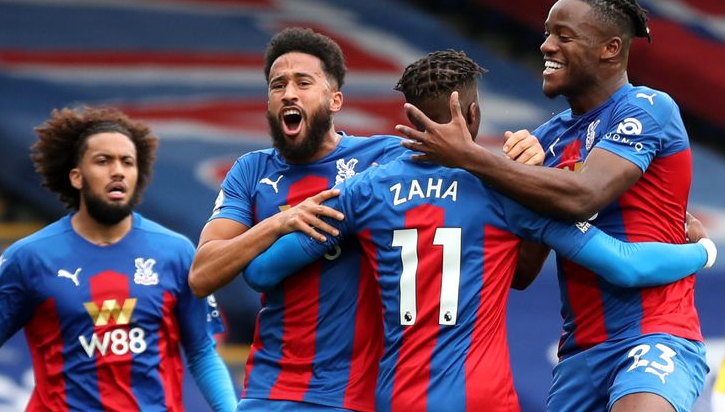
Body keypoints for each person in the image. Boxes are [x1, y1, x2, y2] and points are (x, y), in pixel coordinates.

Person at [240, 49, 717, 412]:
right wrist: (701, 252)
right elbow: (623, 265)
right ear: (472, 116)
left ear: (410, 119)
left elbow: (262, 272)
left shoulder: (363, 193)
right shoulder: (503, 193)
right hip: (481, 396)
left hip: (396, 395)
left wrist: (283, 221)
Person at [187, 29, 544, 412]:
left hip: (362, 394)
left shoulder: (385, 162)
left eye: (303, 82)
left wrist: (524, 159)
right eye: (278, 85)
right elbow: (203, 274)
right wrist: (280, 222)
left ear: (335, 99)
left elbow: (460, 163)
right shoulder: (250, 171)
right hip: (275, 390)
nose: (289, 92)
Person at [396, 0, 708, 412]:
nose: (546, 45)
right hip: (579, 353)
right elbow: (524, 270)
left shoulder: (648, 107)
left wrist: (475, 159)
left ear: (610, 49)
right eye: (547, 33)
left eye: (564, 35)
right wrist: (521, 180)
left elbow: (587, 195)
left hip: (654, 335)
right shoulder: (548, 139)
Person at [0, 108, 236, 411]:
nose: (117, 170)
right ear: (76, 177)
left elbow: (202, 352)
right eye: (103, 161)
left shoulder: (177, 253)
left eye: (127, 162)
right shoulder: (29, 258)